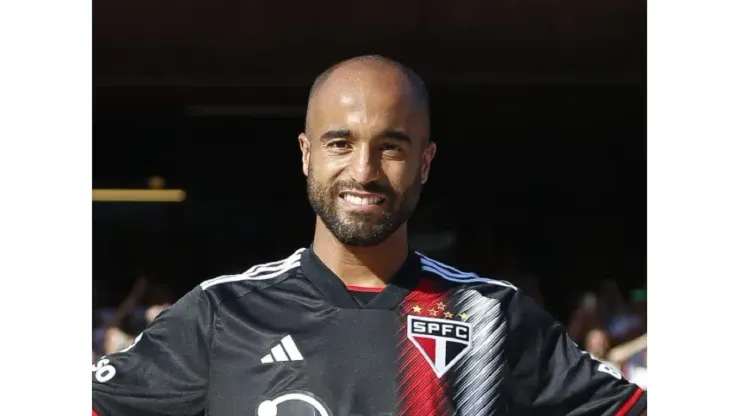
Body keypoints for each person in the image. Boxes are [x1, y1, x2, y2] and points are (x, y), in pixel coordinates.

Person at [92, 55, 647, 416]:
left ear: (425, 162)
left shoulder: (492, 316)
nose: (364, 171)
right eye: (340, 143)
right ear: (307, 155)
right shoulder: (222, 312)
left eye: (392, 147)